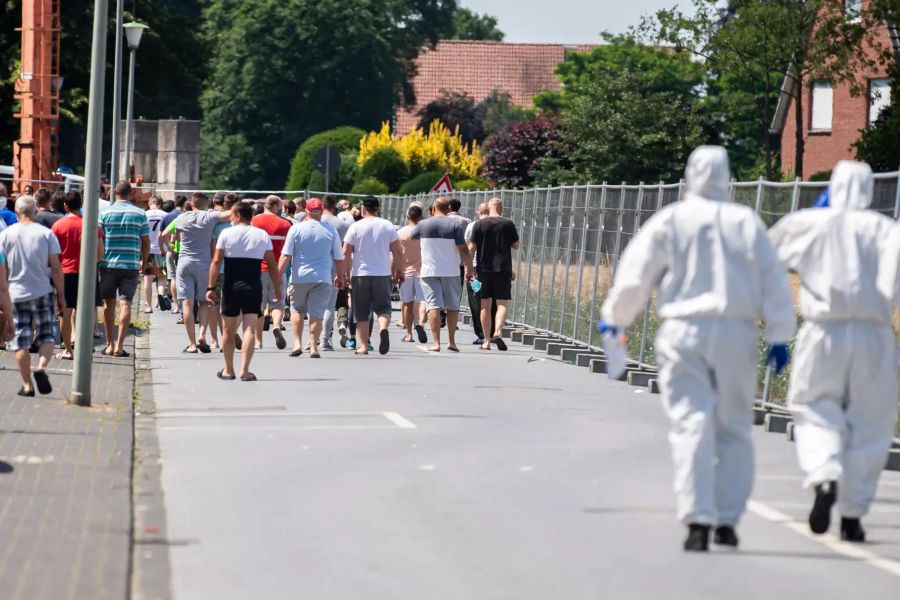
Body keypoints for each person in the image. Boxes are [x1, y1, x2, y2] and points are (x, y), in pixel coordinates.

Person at [599, 146, 795, 552]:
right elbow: (773, 279)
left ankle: (697, 520)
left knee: (690, 423)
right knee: (735, 427)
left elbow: (637, 272)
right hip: (736, 331)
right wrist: (779, 333)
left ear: (689, 173)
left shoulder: (671, 219)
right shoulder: (745, 221)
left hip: (683, 331)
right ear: (727, 175)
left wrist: (616, 317)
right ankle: (727, 519)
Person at [769, 160, 898, 543]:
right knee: (871, 422)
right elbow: (894, 283)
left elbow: (762, 260)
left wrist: (776, 327)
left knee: (813, 406)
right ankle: (854, 516)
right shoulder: (886, 230)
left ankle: (824, 477)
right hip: (874, 333)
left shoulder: (809, 223)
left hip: (823, 331)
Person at [0, 195, 66, 395]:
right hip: (43, 291)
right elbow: (56, 268)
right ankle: (42, 368)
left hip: (16, 294)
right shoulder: (46, 234)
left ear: (17, 212)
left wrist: (3, 297)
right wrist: (61, 295)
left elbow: (3, 273)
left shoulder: (5, 235)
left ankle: (27, 385)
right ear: (35, 211)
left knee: (19, 340)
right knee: (47, 335)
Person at [207, 201, 280, 382]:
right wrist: (277, 289)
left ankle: (229, 369)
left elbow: (216, 262)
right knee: (250, 328)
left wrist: (210, 287)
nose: (230, 218)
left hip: (232, 285)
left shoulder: (226, 233)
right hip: (253, 285)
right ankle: (245, 370)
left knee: (228, 330)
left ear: (238, 215)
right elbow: (272, 265)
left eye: (232, 215)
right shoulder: (261, 235)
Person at [278, 198, 345, 358]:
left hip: (299, 277)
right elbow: (339, 258)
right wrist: (340, 277)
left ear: (306, 211)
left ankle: (297, 344)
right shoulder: (330, 230)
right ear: (321, 211)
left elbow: (285, 256)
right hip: (322, 278)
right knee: (317, 313)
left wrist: (278, 277)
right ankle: (314, 345)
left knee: (297, 310)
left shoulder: (296, 229)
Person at [342, 196, 404, 355]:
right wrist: (399, 270)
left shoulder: (355, 227)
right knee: (383, 308)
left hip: (360, 274)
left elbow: (345, 252)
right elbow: (397, 250)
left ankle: (363, 346)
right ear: (377, 208)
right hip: (382, 274)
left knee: (361, 311)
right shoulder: (387, 226)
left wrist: (343, 273)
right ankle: (383, 329)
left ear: (363, 208)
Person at [173, 192, 231, 353]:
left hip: (184, 262)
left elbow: (177, 238)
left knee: (186, 303)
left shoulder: (181, 218)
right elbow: (231, 214)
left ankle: (191, 344)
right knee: (204, 302)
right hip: (204, 264)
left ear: (192, 203)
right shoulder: (209, 217)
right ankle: (202, 335)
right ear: (207, 204)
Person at [414, 197, 473, 351]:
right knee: (452, 306)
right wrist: (469, 269)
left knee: (433, 305)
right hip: (451, 271)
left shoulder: (423, 224)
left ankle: (436, 343)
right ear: (448, 209)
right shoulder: (455, 225)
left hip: (429, 271)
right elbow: (464, 249)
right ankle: (452, 342)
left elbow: (410, 236)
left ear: (433, 209)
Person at [99, 181, 150, 357]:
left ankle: (109, 344)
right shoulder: (140, 214)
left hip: (108, 264)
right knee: (126, 304)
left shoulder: (105, 214)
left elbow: (99, 239)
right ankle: (120, 346)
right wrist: (144, 260)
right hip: (131, 265)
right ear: (131, 193)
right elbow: (146, 241)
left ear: (115, 192)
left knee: (108, 304)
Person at [51, 191, 104, 360]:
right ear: (81, 204)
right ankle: (86, 346)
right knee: (87, 311)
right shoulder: (92, 225)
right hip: (87, 273)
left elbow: (53, 255)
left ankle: (68, 349)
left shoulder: (58, 226)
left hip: (65, 273)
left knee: (65, 312)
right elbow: (100, 253)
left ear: (65, 206)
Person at [468, 197, 520, 351]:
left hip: (483, 269)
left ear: (488, 207)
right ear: (501, 208)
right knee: (502, 303)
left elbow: (471, 247)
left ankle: (486, 340)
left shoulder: (479, 224)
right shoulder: (508, 223)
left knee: (485, 304)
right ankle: (498, 331)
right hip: (503, 268)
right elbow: (516, 245)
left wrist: (469, 268)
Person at [251, 195, 292, 350]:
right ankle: (276, 325)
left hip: (257, 269)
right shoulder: (285, 224)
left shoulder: (254, 222)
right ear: (275, 206)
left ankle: (258, 341)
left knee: (258, 307)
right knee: (278, 303)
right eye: (280, 207)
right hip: (278, 269)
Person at [321, 196, 351, 350]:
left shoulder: (313, 222)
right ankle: (325, 340)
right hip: (334, 268)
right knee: (329, 306)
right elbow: (346, 252)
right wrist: (346, 272)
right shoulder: (342, 225)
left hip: (314, 268)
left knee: (314, 307)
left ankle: (311, 339)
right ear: (334, 207)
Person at [465, 202, 497, 345]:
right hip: (494, 267)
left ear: (478, 211)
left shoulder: (473, 226)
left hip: (477, 268)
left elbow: (469, 247)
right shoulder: (496, 224)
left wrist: (468, 267)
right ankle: (493, 332)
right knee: (493, 300)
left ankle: (481, 333)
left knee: (476, 298)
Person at [397, 204, 428, 344]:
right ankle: (420, 323)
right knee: (423, 301)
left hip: (406, 271)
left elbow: (396, 254)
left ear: (408, 216)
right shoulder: (424, 233)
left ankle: (409, 334)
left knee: (408, 304)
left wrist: (394, 272)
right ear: (421, 217)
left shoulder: (401, 233)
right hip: (423, 271)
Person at [160, 195, 188, 313]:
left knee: (172, 278)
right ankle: (186, 306)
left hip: (173, 251)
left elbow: (162, 235)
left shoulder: (168, 216)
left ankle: (176, 306)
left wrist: (167, 247)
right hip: (186, 251)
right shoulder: (186, 216)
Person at [144, 196, 168, 313]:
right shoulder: (165, 215)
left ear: (150, 202)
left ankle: (148, 306)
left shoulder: (145, 215)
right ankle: (160, 297)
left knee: (147, 277)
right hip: (161, 250)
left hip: (148, 251)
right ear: (160, 203)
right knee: (162, 276)